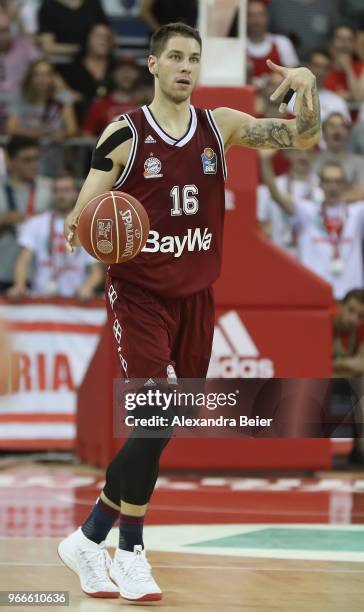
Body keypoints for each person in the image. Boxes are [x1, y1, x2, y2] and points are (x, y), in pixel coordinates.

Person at [58, 22, 321, 602]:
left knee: (165, 423)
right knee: (153, 417)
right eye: (175, 56)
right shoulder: (123, 135)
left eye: (194, 58)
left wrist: (308, 90)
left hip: (197, 294)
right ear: (152, 65)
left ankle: (88, 537)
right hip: (140, 295)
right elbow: (84, 216)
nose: (186, 66)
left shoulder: (220, 126)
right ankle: (131, 550)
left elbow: (301, 138)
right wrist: (90, 230)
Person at [260, 156, 364, 300]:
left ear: (345, 185)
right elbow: (277, 196)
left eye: (337, 181)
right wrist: (264, 160)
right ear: (320, 185)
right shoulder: (308, 211)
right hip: (314, 297)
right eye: (328, 181)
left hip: (351, 301)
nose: (333, 186)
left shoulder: (357, 213)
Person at [7, 172, 103, 299]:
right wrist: (19, 285)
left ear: (77, 194)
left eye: (66, 190)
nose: (60, 195)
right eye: (56, 190)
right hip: (41, 300)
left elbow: (96, 271)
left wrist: (88, 287)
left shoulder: (87, 227)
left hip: (75, 301)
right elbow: (23, 260)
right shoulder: (35, 224)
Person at [5, 58, 78, 176]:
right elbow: (10, 128)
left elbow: (72, 129)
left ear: (53, 77)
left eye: (47, 74)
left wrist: (62, 134)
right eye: (38, 74)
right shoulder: (19, 99)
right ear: (30, 77)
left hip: (54, 156)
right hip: (25, 157)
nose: (43, 79)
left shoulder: (63, 99)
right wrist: (35, 133)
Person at [0, 136, 52, 293]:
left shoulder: (48, 189)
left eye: (36, 159)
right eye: (26, 160)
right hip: (2, 271)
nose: (33, 165)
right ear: (10, 161)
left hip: (38, 276)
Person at [257, 147, 319, 254]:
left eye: (309, 152)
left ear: (316, 156)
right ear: (288, 154)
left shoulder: (323, 190)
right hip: (278, 256)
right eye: (299, 151)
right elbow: (261, 227)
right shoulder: (265, 190)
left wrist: (265, 161)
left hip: (311, 259)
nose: (304, 156)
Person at [332, 288, 364, 465]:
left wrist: (334, 364)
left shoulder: (361, 329)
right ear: (340, 307)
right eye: (351, 311)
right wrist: (348, 363)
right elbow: (310, 363)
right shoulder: (324, 319)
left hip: (349, 380)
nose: (354, 320)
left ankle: (359, 450)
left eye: (360, 316)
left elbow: (362, 365)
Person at [82, 56, 150, 137]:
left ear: (138, 74)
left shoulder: (147, 105)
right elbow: (86, 135)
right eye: (121, 69)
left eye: (131, 69)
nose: (126, 74)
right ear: (113, 74)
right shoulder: (100, 106)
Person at [61, 23, 115, 122]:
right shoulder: (72, 69)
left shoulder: (117, 68)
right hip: (79, 124)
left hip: (112, 124)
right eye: (98, 36)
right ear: (87, 38)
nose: (103, 40)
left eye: (107, 37)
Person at [0, 12, 40, 130]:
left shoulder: (24, 46)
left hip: (21, 101)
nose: (3, 35)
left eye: (6, 30)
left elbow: (42, 66)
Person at [246, 0, 298, 86]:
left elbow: (294, 79)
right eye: (251, 15)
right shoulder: (238, 47)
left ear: (267, 17)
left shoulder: (282, 43)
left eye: (260, 15)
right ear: (245, 19)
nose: (256, 21)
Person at [38, 0, 108, 59]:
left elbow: (107, 35)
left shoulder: (93, 3)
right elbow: (48, 47)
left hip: (94, 60)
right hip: (62, 61)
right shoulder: (48, 7)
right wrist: (79, 49)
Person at [325, 24, 364, 103]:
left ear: (354, 45)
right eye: (340, 38)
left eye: (349, 39)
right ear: (332, 42)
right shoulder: (323, 67)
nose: (345, 43)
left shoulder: (361, 67)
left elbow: (359, 97)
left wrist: (348, 69)